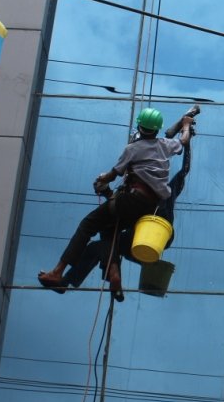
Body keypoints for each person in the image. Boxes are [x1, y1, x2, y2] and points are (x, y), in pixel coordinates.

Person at [37, 107, 193, 301]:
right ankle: (113, 274)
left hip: (131, 201)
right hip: (146, 208)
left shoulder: (132, 149)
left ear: (139, 126)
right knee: (110, 233)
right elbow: (183, 141)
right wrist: (185, 125)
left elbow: (114, 174)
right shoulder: (165, 145)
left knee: (88, 224)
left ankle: (58, 272)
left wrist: (103, 179)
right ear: (156, 129)